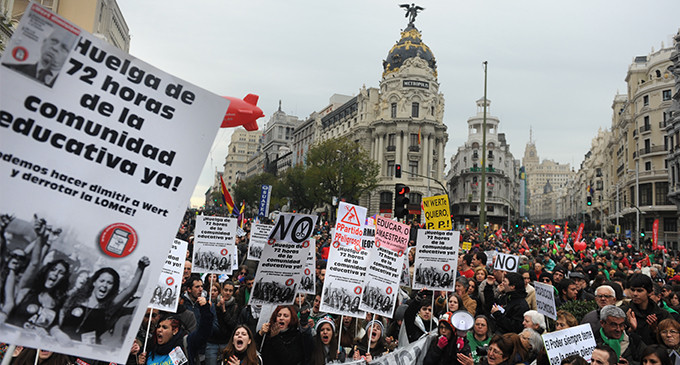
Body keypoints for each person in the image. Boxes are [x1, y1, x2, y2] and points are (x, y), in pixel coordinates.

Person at [52, 257, 150, 344]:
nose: (104, 285)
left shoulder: (110, 305)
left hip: (86, 351)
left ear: (113, 287)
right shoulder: (75, 299)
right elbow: (58, 320)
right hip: (61, 343)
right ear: (94, 282)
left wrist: (140, 268)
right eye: (102, 281)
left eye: (109, 283)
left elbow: (129, 290)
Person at [1, 216, 69, 334]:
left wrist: (45, 240)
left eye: (61, 273)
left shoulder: (57, 302)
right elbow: (32, 261)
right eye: (13, 256)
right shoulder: (20, 284)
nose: (16, 259)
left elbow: (35, 262)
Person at [138, 297, 214, 365]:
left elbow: (204, 332)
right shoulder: (149, 347)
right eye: (158, 327)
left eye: (164, 327)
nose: (159, 330)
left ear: (175, 330)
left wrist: (205, 309)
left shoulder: (186, 344)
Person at [2, 27, 76, 87]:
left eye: (64, 47)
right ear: (44, 41)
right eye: (54, 41)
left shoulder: (67, 89)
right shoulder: (8, 68)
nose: (55, 48)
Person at [626, 273, 670, 345]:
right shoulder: (624, 312)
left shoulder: (662, 314)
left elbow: (671, 340)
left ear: (650, 292)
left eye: (639, 290)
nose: (635, 294)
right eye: (632, 290)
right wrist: (631, 329)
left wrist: (656, 331)